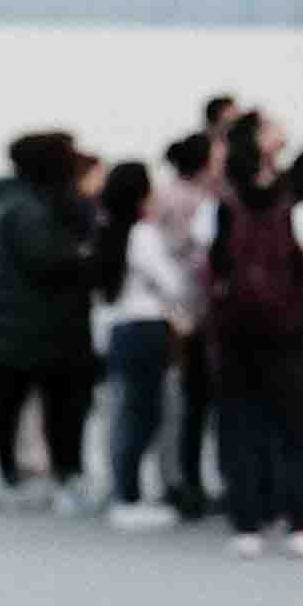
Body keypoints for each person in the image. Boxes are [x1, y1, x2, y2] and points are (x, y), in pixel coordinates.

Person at [198, 117, 303, 557]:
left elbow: (205, 268)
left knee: (238, 426)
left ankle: (246, 522)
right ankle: (300, 523)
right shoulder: (297, 204)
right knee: (294, 430)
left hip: (233, 330)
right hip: (285, 331)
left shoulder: (220, 205)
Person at [0, 132, 96, 510]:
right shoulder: (27, 207)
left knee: (49, 407)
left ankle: (53, 475)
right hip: (25, 330)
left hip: (36, 329)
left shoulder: (28, 202)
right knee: (21, 405)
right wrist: (86, 258)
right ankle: (24, 477)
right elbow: (47, 260)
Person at [101, 156, 191, 530]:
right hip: (147, 327)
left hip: (121, 328)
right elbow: (174, 284)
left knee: (128, 414)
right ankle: (129, 495)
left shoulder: (109, 232)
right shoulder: (143, 235)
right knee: (144, 415)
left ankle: (125, 490)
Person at [159, 130, 225, 518]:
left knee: (192, 405)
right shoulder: (190, 202)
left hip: (186, 311)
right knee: (190, 404)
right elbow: (189, 253)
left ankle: (188, 480)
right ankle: (185, 482)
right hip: (188, 312)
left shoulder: (176, 196)